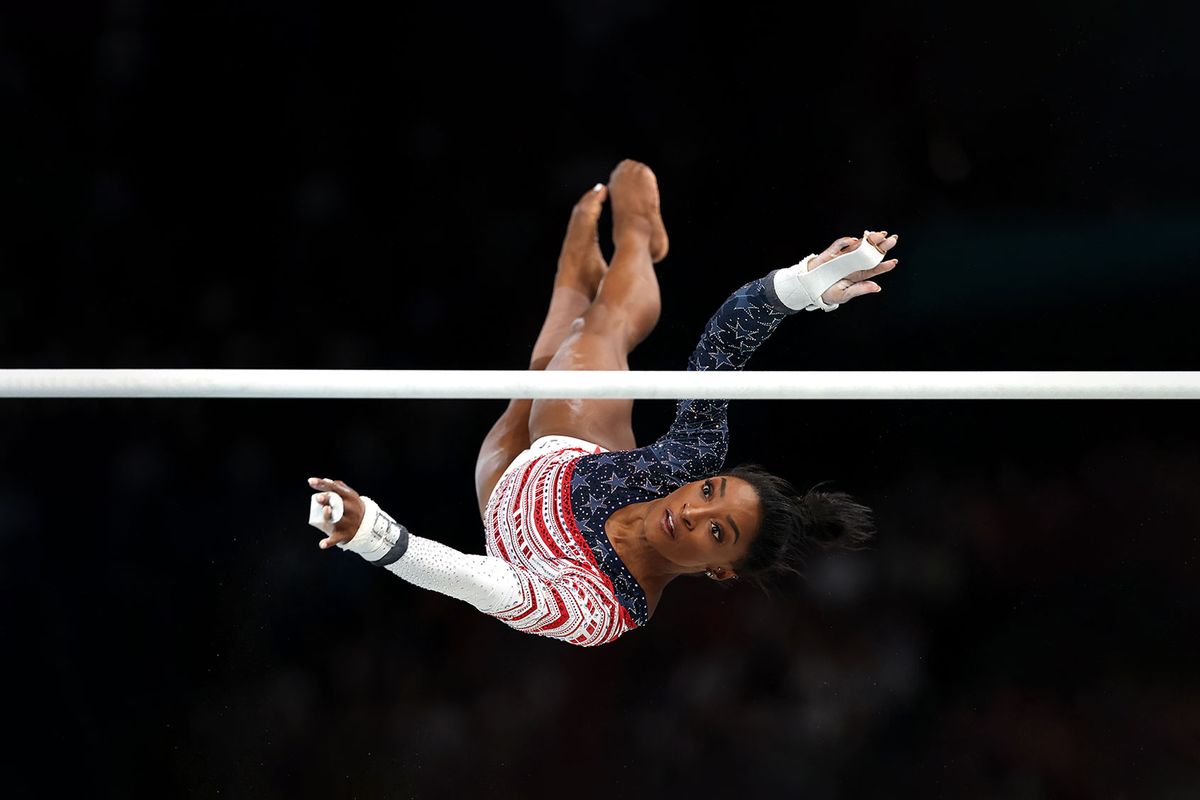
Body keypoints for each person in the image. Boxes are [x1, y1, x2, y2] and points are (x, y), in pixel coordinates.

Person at [306, 159, 899, 647]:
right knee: (598, 332)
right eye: (710, 493)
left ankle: (573, 275)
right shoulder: (688, 461)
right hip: (574, 449)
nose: (692, 512)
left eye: (718, 535)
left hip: (504, 511)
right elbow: (720, 345)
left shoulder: (601, 611)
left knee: (539, 372)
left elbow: (480, 584)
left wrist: (376, 538)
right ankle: (638, 239)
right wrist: (800, 287)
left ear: (721, 571)